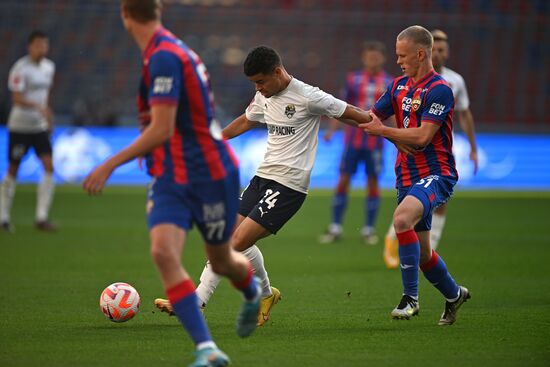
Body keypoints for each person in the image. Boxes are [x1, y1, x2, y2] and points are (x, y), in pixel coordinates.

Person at [83, 1, 260, 366]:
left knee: (223, 260)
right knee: (163, 252)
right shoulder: (164, 52)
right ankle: (206, 348)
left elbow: (161, 128)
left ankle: (251, 292)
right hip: (171, 175)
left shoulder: (165, 56)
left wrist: (110, 164)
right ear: (158, 10)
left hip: (209, 173)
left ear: (125, 15)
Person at [154, 45, 384, 327]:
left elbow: (350, 112)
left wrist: (392, 134)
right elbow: (246, 120)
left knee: (233, 244)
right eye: (254, 84)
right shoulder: (264, 96)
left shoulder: (308, 96)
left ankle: (195, 302)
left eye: (261, 82)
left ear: (277, 72)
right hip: (262, 178)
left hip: (289, 185)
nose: (259, 88)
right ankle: (266, 294)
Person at [355, 25, 471, 325]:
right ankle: (454, 294)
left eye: (402, 55)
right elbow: (372, 117)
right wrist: (328, 107)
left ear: (421, 54)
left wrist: (384, 132)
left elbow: (422, 137)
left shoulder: (439, 89)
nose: (398, 61)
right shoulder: (398, 86)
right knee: (422, 255)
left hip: (437, 173)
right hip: (406, 176)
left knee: (401, 219)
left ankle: (410, 299)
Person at [383, 29, 479, 267]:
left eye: (442, 50)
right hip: (411, 153)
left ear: (446, 53)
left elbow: (465, 115)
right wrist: (398, 137)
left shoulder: (453, 82)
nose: (438, 53)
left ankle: (429, 244)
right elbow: (386, 112)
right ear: (426, 51)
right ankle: (392, 239)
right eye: (435, 49)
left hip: (439, 150)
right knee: (407, 208)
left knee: (436, 203)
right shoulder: (403, 84)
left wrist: (473, 148)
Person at [319, 41, 393, 245]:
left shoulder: (390, 82)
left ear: (383, 59)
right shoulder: (353, 80)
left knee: (373, 183)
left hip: (375, 143)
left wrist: (397, 136)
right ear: (364, 58)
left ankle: (368, 230)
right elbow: (340, 108)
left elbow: (393, 113)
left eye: (376, 57)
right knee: (343, 180)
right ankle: (335, 227)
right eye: (370, 56)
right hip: (352, 141)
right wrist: (332, 131)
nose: (373, 60)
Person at [0, 30, 56, 233]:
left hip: (39, 127)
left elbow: (46, 95)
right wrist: (38, 107)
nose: (42, 49)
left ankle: (41, 217)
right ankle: (3, 217)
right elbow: (16, 98)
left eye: (45, 45)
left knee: (49, 166)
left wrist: (48, 117)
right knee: (13, 168)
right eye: (39, 45)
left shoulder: (49, 67)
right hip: (19, 126)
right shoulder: (20, 68)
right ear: (30, 46)